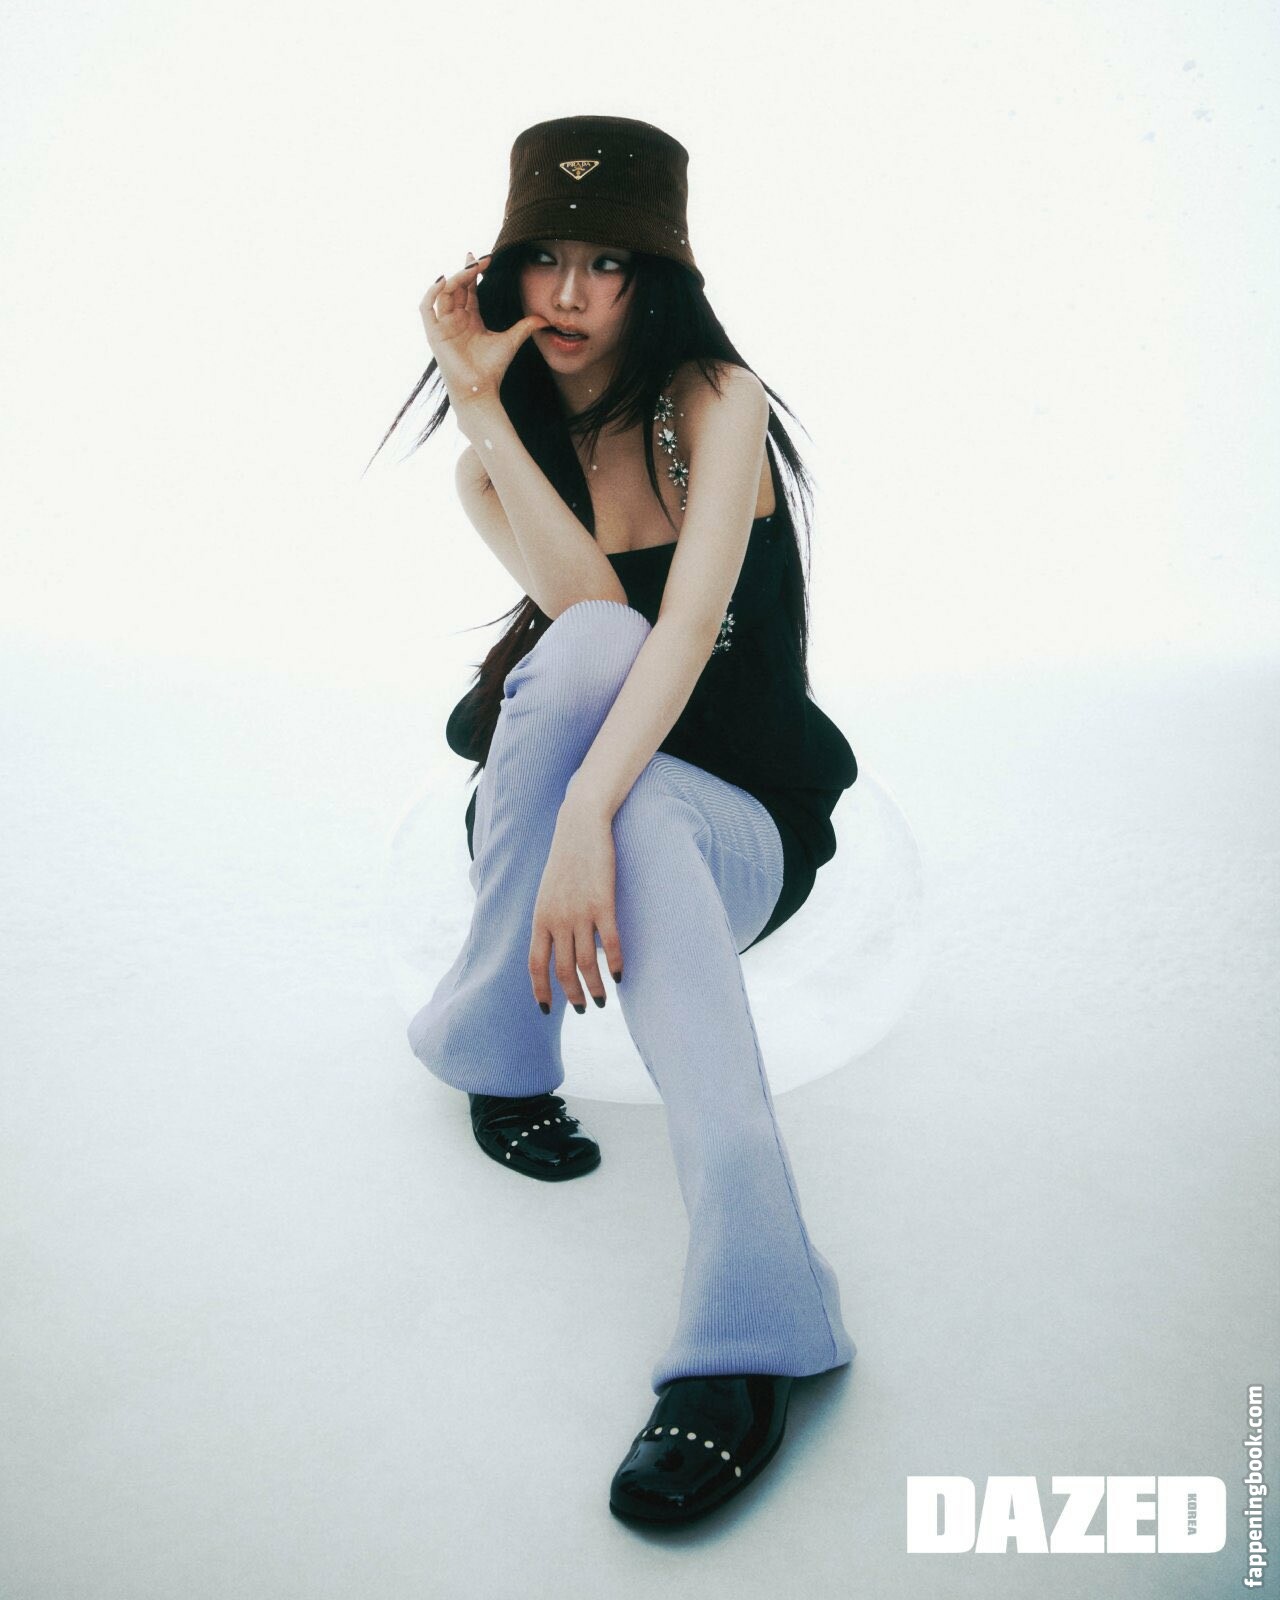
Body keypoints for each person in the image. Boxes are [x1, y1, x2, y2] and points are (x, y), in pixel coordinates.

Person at [369, 114, 859, 1527]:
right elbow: (594, 625)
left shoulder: (715, 401)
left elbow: (685, 631)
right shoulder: (493, 462)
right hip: (551, 819)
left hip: (721, 821)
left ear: (662, 278)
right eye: (548, 260)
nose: (573, 295)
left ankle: (755, 1319)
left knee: (641, 822)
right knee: (585, 645)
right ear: (504, 274)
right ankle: (502, 1042)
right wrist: (477, 409)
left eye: (612, 263)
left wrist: (593, 811)